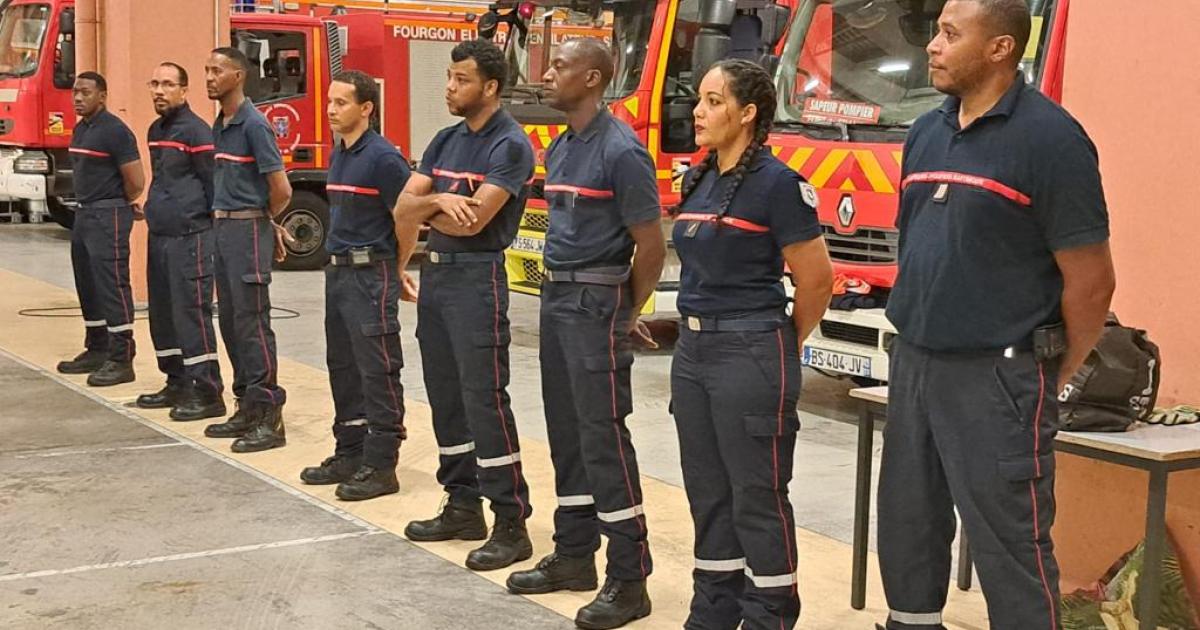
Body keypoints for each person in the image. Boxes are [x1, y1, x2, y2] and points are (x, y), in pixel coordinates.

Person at [877, 1, 1115, 629]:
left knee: (1010, 545)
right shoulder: (927, 131)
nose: (932, 45)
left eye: (950, 34)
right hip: (915, 365)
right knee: (907, 526)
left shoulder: (1052, 140)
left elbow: (1091, 284)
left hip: (998, 378)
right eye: (936, 31)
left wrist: (1046, 373)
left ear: (1000, 48)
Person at [505, 38, 666, 630]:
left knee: (602, 437)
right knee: (566, 432)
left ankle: (630, 576)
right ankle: (575, 554)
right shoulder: (566, 146)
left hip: (596, 300)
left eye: (560, 66)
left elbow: (651, 245)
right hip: (557, 296)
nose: (546, 75)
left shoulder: (622, 151)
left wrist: (624, 310)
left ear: (593, 78)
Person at [671, 59, 833, 630]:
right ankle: (713, 609)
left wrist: (780, 347)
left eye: (714, 101)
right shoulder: (700, 177)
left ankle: (769, 613)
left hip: (750, 350)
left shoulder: (779, 186)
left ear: (747, 114)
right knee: (708, 491)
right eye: (700, 99)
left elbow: (816, 281)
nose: (699, 110)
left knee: (756, 494)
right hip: (693, 354)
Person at [394, 39, 536, 571]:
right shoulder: (444, 140)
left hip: (479, 280)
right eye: (450, 78)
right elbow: (402, 207)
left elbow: (473, 220)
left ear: (490, 87)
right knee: (445, 397)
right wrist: (435, 203)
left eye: (461, 80)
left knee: (484, 401)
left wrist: (427, 208)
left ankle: (510, 522)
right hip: (437, 279)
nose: (450, 88)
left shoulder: (510, 145)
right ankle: (461, 506)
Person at [298, 70, 410, 501]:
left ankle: (381, 464)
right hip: (339, 272)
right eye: (329, 101)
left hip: (370, 275)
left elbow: (407, 218)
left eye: (341, 102)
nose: (330, 109)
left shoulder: (383, 158)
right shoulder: (340, 152)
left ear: (366, 108)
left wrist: (395, 269)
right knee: (342, 366)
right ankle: (349, 451)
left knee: (377, 368)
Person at [200, 47, 294, 453]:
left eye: (216, 71)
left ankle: (269, 415)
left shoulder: (254, 125)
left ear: (238, 76)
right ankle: (246, 404)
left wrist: (262, 221)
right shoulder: (220, 124)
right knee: (232, 321)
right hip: (222, 230)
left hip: (246, 231)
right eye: (206, 70)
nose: (209, 77)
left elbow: (282, 190)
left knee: (253, 323)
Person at [136, 61, 226, 422]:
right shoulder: (156, 130)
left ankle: (207, 392)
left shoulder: (197, 132)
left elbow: (212, 184)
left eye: (168, 84)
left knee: (192, 314)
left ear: (184, 91)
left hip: (191, 238)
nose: (159, 90)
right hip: (161, 237)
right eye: (155, 83)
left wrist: (204, 227)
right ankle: (176, 382)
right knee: (163, 314)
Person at [56, 71, 144, 388]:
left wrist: (116, 204)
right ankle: (97, 347)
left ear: (102, 96)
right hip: (84, 214)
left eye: (86, 92)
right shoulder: (81, 129)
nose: (78, 98)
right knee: (88, 283)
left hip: (109, 215)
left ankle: (122, 358)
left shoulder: (115, 132)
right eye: (75, 92)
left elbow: (136, 182)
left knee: (112, 285)